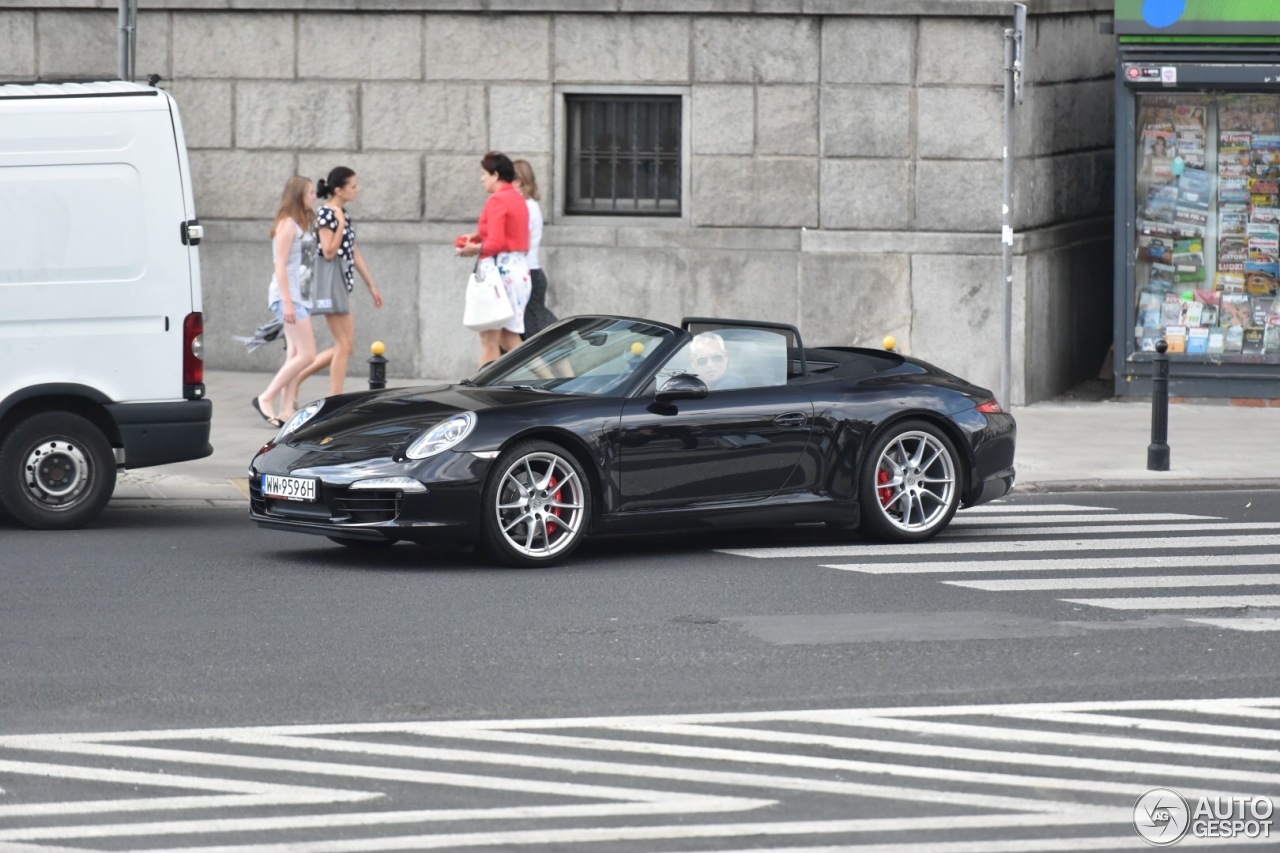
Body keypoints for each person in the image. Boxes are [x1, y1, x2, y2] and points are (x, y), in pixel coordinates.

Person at [294, 166, 384, 400]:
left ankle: (296, 377)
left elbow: (353, 251)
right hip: (331, 282)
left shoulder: (342, 213)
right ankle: (335, 399)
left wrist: (371, 285)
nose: (357, 190)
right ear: (339, 190)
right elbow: (329, 251)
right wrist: (341, 224)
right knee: (344, 345)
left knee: (346, 345)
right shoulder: (327, 214)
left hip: (342, 283)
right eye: (353, 186)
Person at [252, 176, 318, 428]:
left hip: (297, 297)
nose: (314, 196)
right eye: (310, 192)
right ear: (298, 196)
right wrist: (288, 303)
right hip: (288, 298)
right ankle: (266, 397)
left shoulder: (299, 224)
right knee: (307, 354)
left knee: (295, 353)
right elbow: (279, 265)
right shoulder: (288, 225)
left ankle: (286, 410)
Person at [457, 152, 531, 365]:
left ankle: (480, 393)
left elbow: (496, 243)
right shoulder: (517, 198)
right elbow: (509, 234)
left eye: (484, 174)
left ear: (495, 174)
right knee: (509, 338)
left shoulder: (497, 200)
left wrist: (473, 248)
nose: (482, 178)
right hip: (517, 269)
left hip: (499, 272)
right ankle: (551, 383)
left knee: (489, 338)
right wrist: (480, 237)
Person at [513, 159, 557, 340]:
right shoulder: (529, 205)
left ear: (518, 181)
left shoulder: (525, 207)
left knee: (534, 337)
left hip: (527, 275)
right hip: (529, 274)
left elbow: (520, 244)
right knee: (521, 336)